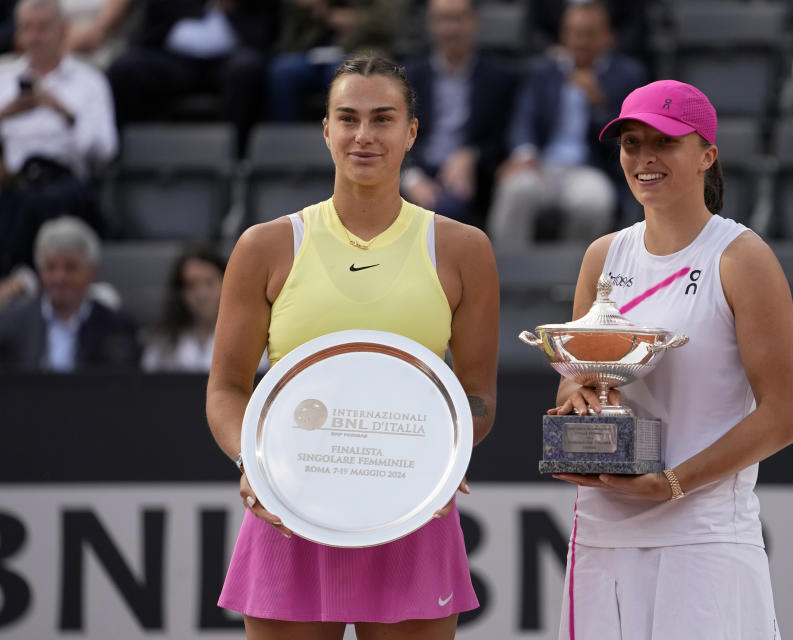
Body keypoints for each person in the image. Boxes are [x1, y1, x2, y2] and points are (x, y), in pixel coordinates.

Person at [206, 54, 498, 638]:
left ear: (411, 132)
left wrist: (442, 459)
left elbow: (476, 396)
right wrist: (254, 463)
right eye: (348, 118)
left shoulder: (463, 249)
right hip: (289, 503)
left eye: (383, 118)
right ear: (326, 130)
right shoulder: (265, 246)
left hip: (409, 507)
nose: (364, 136)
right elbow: (228, 387)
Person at [549, 80, 793, 639]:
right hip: (601, 531)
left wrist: (672, 483)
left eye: (664, 142)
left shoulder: (741, 258)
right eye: (631, 143)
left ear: (706, 155)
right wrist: (579, 399)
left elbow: (784, 416)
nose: (644, 158)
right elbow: (575, 384)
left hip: (703, 533)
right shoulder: (603, 255)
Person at [487, 0, 646, 250]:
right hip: (541, 164)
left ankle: (574, 279)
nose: (581, 42)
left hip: (588, 169)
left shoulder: (626, 75)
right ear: (563, 36)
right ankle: (506, 277)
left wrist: (598, 106)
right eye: (575, 34)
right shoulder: (543, 70)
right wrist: (525, 153)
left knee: (594, 200)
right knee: (517, 188)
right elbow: (523, 118)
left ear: (608, 37)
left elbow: (628, 140)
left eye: (590, 34)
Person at [0, 0, 117, 275]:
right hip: (13, 182)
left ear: (63, 30)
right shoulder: (3, 79)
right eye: (27, 28)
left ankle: (24, 280)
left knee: (45, 202)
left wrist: (64, 113)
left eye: (43, 28)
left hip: (66, 183)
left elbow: (105, 149)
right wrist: (6, 114)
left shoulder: (90, 81)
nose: (35, 37)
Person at [107, 0, 280, 155]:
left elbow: (268, 24)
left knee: (246, 70)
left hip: (232, 55)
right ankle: (119, 157)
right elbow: (156, 16)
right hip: (175, 57)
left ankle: (236, 159)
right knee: (124, 69)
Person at [401, 0, 518, 226]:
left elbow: (502, 140)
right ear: (430, 24)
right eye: (442, 20)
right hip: (417, 169)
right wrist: (411, 176)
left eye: (458, 19)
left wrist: (472, 154)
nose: (450, 29)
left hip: (471, 180)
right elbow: (393, 136)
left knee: (448, 211)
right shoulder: (410, 77)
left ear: (475, 21)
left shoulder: (500, 77)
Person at [0, 216, 139, 371]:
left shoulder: (116, 327)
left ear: (92, 272)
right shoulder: (10, 323)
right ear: (40, 271)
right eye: (51, 268)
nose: (60, 278)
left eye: (70, 268)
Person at [267, 0, 404, 122]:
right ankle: (286, 140)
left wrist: (353, 19)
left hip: (360, 49)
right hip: (312, 52)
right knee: (283, 71)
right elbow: (289, 23)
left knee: (342, 72)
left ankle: (343, 137)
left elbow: (390, 22)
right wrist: (311, 7)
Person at [142, 244, 269, 372]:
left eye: (209, 283)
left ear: (227, 284)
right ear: (180, 292)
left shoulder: (251, 339)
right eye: (191, 285)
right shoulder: (164, 341)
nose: (201, 294)